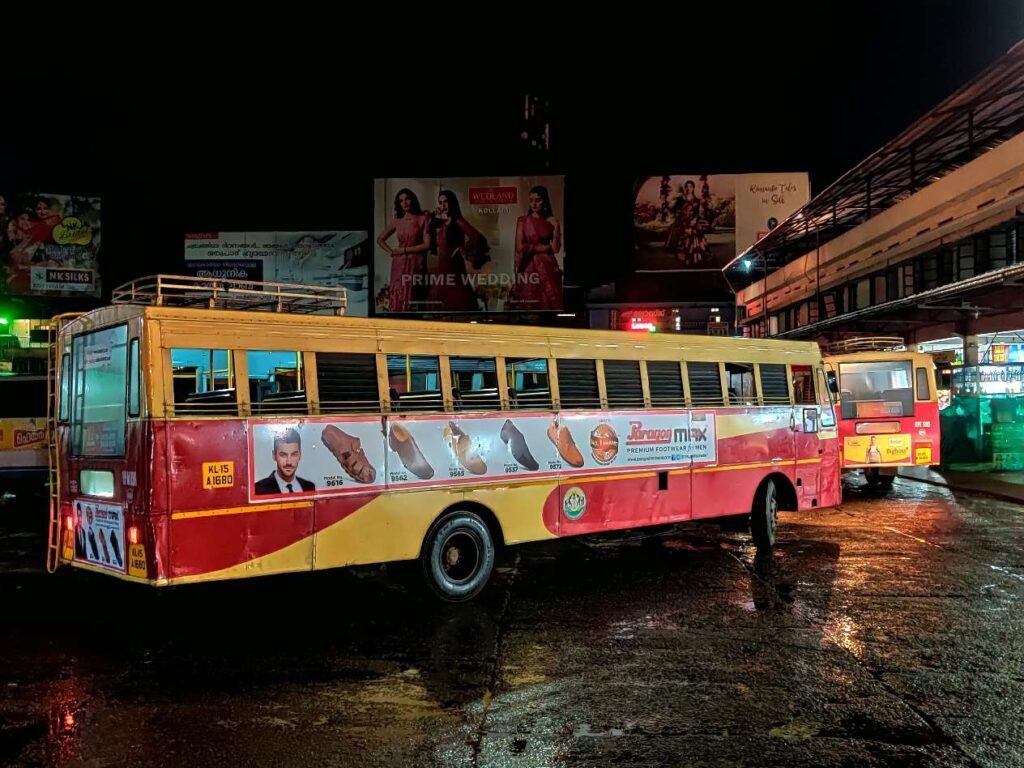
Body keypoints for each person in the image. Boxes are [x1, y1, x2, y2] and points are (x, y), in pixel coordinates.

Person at [426, 190, 486, 311]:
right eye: (440, 202)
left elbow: (479, 238)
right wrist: (431, 213)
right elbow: (424, 220)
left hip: (454, 267)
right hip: (442, 269)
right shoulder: (442, 223)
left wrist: (462, 249)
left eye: (446, 202)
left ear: (452, 203)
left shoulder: (458, 221)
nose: (443, 205)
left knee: (458, 301)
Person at [376, 188, 431, 312]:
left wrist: (404, 250)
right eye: (401, 201)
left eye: (407, 199)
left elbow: (427, 245)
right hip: (398, 264)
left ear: (413, 200)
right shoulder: (397, 220)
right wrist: (392, 252)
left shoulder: (422, 218)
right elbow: (380, 239)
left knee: (413, 296)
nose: (405, 203)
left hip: (416, 262)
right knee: (398, 297)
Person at [509, 185, 562, 310]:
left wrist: (556, 226)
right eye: (531, 200)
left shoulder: (551, 221)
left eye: (538, 200)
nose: (534, 204)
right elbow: (520, 247)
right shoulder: (523, 221)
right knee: (530, 303)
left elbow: (555, 249)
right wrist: (543, 248)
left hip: (548, 267)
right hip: (528, 267)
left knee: (550, 303)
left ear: (545, 201)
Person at [664, 177, 711, 265]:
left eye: (690, 186)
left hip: (692, 221)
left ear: (693, 188)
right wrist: (669, 207)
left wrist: (694, 220)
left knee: (696, 232)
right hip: (682, 221)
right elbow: (674, 210)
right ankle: (683, 253)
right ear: (685, 188)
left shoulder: (696, 200)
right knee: (682, 232)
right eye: (687, 187)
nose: (688, 188)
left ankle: (698, 254)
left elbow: (697, 214)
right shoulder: (681, 199)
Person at [255, 427, 316, 494]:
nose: (289, 462)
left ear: (300, 455)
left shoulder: (310, 487)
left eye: (294, 455)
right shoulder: (259, 489)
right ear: (274, 455)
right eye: (283, 455)